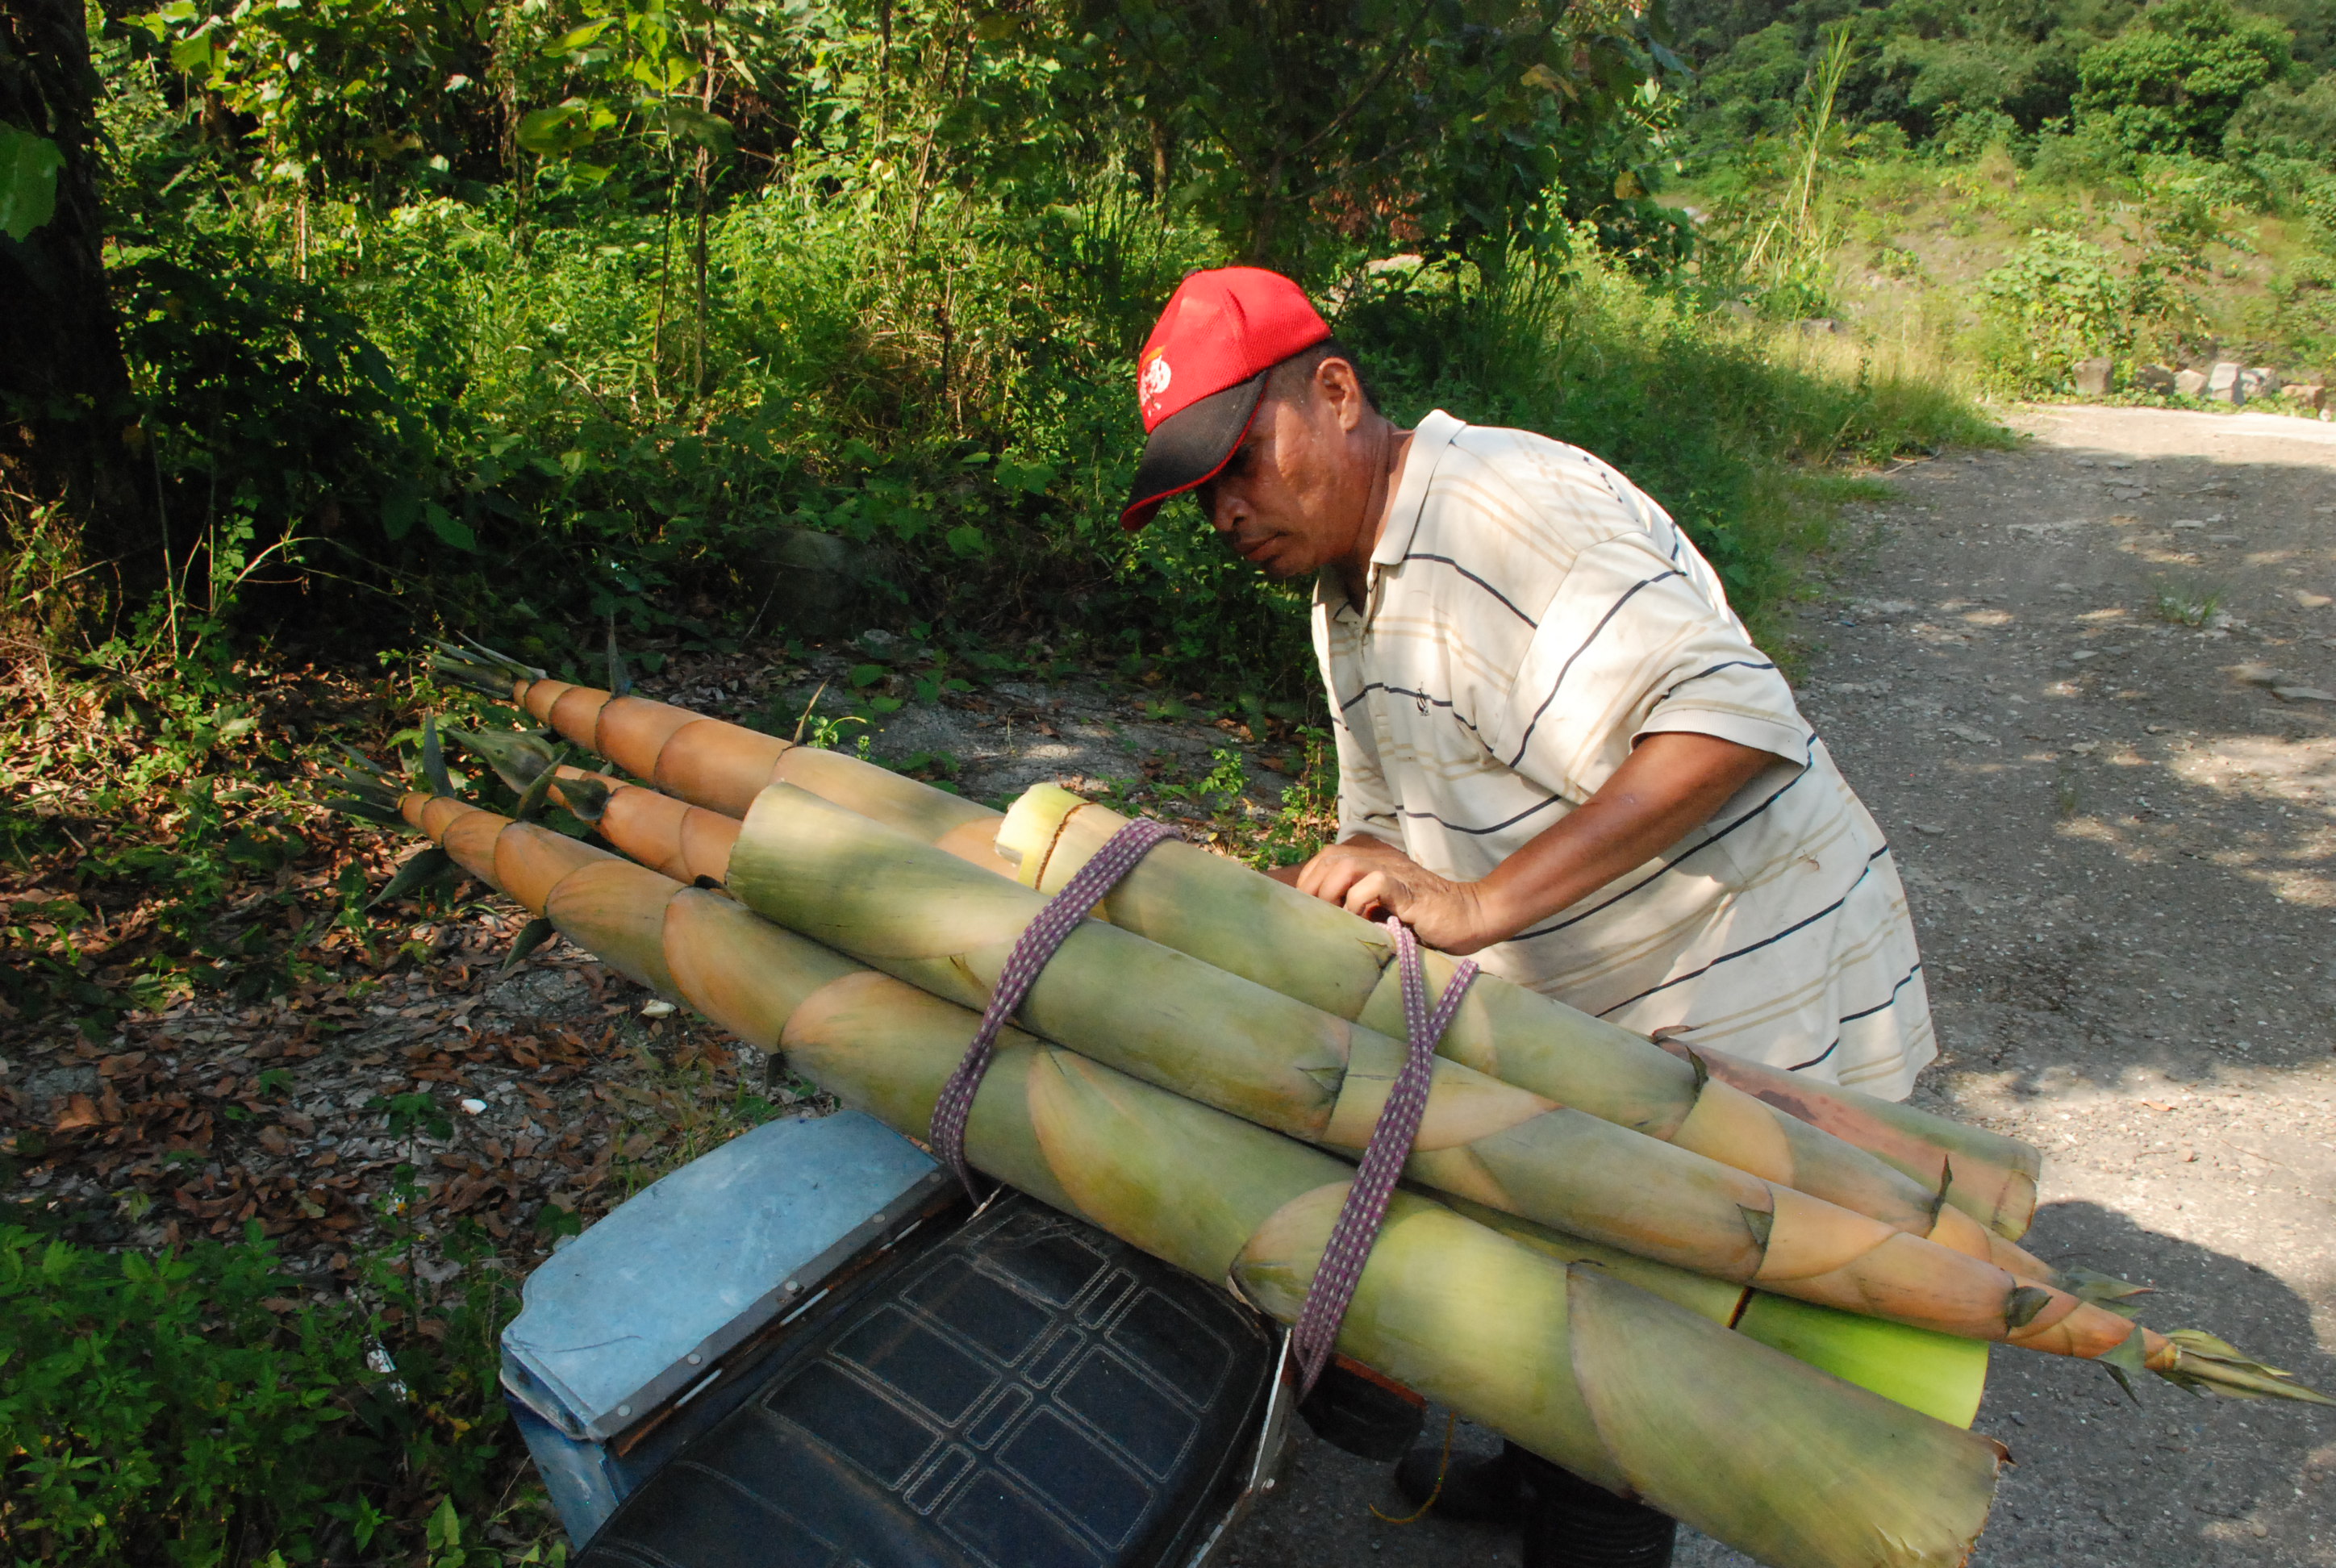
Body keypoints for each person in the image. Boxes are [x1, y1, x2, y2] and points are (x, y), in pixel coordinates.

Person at [1119, 266, 1938, 1563]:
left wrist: (1480, 902)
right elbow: (1386, 808)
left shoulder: (1499, 516)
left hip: (1731, 969)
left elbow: (1730, 722)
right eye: (1199, 491)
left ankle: (1594, 1507)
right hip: (1597, 992)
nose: (1226, 508)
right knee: (1562, 1254)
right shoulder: (1349, 584)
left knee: (1648, 1324)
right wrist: (1356, 868)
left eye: (1241, 460)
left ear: (1336, 394)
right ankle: (1545, 1460)